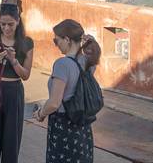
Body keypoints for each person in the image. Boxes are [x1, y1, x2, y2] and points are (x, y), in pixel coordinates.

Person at [32, 19, 102, 163]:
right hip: (82, 127)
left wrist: (40, 113)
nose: (56, 44)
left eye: (56, 40)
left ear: (67, 39)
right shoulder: (87, 61)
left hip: (63, 127)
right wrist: (92, 41)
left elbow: (54, 103)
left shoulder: (62, 64)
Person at [0, 3, 34, 163]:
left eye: (10, 24)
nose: (6, 28)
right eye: (2, 24)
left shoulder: (26, 43)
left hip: (14, 90)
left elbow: (26, 75)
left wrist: (14, 61)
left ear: (18, 22)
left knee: (11, 137)